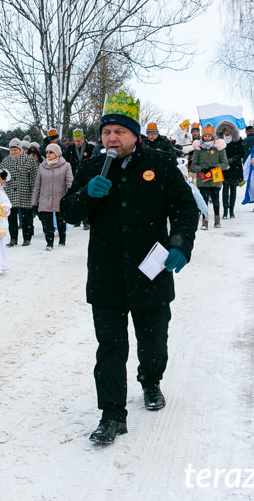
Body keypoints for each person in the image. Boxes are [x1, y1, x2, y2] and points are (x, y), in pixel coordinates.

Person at [60, 89, 198, 445]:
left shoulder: (161, 164)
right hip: (106, 275)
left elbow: (184, 209)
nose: (111, 138)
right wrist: (88, 193)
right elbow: (69, 211)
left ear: (136, 135)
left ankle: (150, 381)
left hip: (150, 272)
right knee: (110, 346)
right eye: (106, 131)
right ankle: (111, 414)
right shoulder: (91, 166)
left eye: (119, 131)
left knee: (154, 341)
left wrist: (180, 244)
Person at [32, 143, 73, 250]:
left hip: (60, 197)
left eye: (51, 152)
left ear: (57, 153)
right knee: (47, 222)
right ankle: (49, 242)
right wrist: (34, 202)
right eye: (47, 152)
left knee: (61, 220)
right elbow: (37, 185)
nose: (48, 154)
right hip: (45, 198)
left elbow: (69, 183)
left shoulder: (66, 166)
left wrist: (69, 197)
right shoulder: (42, 166)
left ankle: (62, 239)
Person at [0, 138, 38, 247]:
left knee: (27, 218)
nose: (13, 151)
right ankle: (13, 239)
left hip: (25, 191)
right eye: (11, 149)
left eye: (15, 149)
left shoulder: (29, 160)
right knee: (11, 218)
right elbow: (0, 176)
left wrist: (33, 191)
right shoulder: (5, 161)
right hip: (11, 191)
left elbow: (34, 177)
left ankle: (27, 238)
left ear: (20, 149)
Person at [190, 124, 229, 229]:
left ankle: (217, 220)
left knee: (216, 199)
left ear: (213, 136)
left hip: (216, 177)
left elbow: (225, 163)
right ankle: (205, 221)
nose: (207, 138)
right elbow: (193, 165)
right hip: (203, 178)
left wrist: (215, 167)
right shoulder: (198, 149)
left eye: (209, 136)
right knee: (204, 200)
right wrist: (201, 169)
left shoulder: (219, 148)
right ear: (202, 136)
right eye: (205, 136)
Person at [217, 125, 245, 219]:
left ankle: (231, 210)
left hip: (235, 167)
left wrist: (234, 158)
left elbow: (242, 153)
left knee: (233, 189)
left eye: (229, 131)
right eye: (225, 131)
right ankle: (225, 211)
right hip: (224, 167)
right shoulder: (219, 141)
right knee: (225, 188)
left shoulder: (238, 140)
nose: (227, 133)